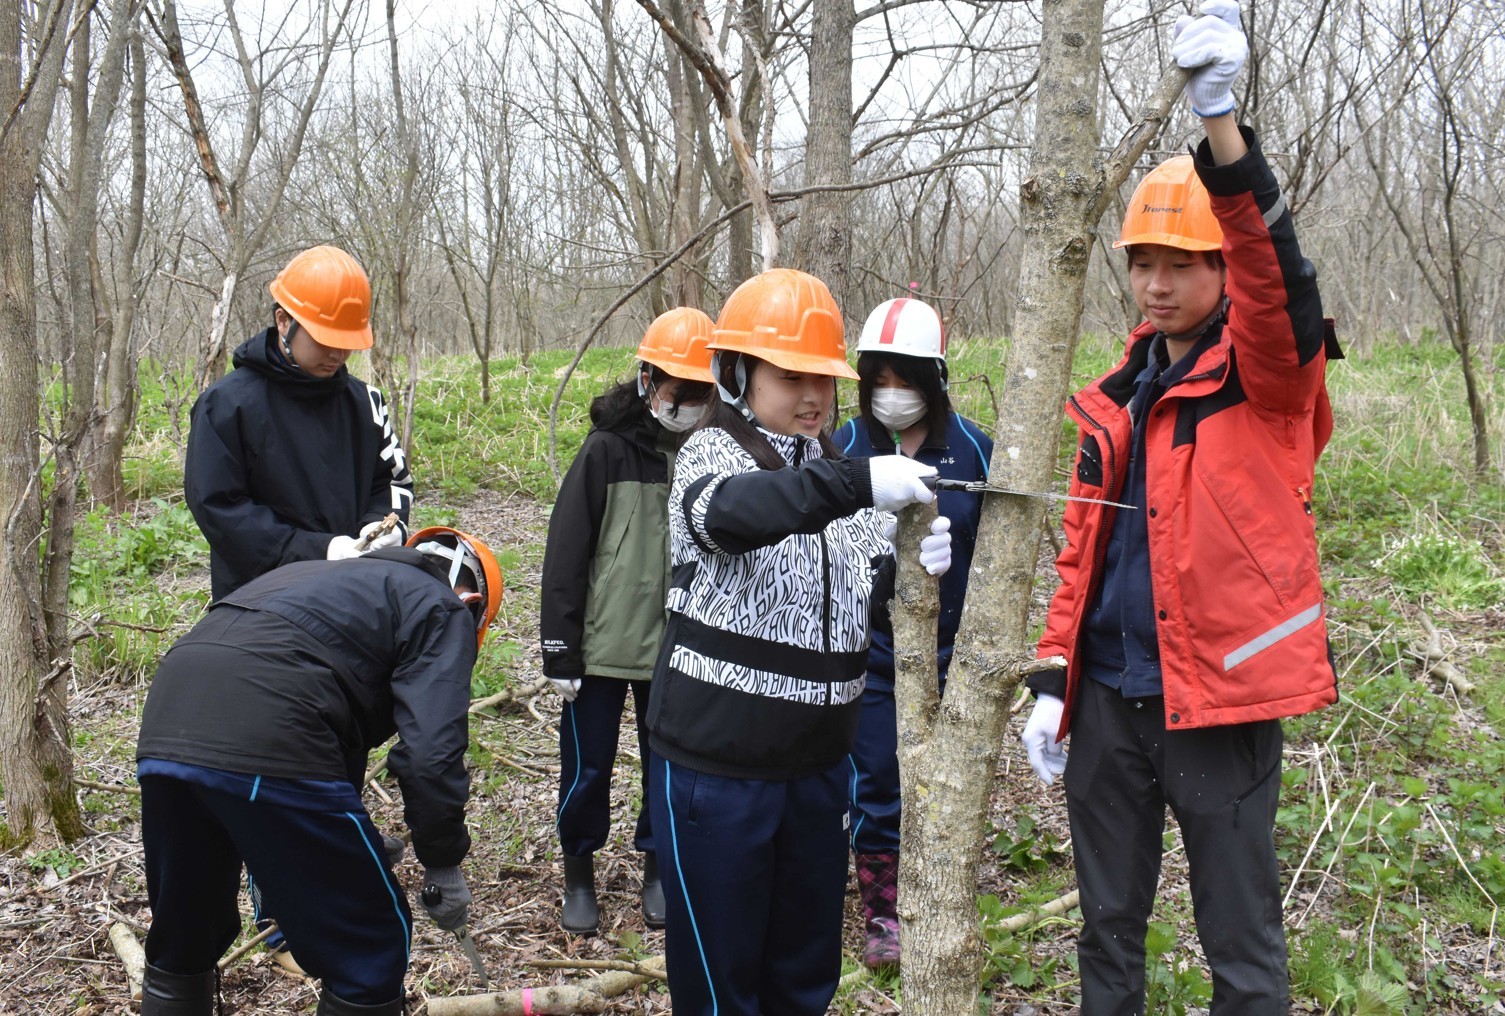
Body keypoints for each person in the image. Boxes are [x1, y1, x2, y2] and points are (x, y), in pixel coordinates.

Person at [1020, 4, 1342, 1013]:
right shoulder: (1115, 397)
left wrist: (1220, 127)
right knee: (1106, 928)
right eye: (1141, 263)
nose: (1154, 284)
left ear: (1217, 270)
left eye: (1179, 264)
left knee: (1238, 939)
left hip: (1218, 702)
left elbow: (1275, 277)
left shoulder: (1267, 376)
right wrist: (1053, 678)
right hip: (1108, 703)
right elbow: (1081, 551)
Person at [645, 269, 953, 1016]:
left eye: (823, 377)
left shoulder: (831, 471)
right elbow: (733, 515)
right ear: (738, 374)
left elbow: (858, 599)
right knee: (721, 981)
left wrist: (908, 567)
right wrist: (856, 486)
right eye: (791, 377)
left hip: (817, 770)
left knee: (802, 975)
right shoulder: (710, 456)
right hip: (720, 768)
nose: (813, 395)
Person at [135, 527, 502, 1016]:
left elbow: (323, 711)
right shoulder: (443, 608)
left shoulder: (316, 578)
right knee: (369, 942)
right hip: (270, 730)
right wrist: (443, 862)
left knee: (187, 925)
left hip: (167, 721)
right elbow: (431, 756)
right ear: (473, 603)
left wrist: (352, 839)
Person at [540, 306, 717, 936]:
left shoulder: (711, 457)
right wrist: (559, 647)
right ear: (648, 380)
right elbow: (566, 550)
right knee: (586, 765)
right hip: (601, 646)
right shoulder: (605, 451)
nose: (686, 404)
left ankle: (658, 868)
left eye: (700, 392)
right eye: (678, 390)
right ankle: (578, 870)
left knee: (664, 767)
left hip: (676, 646)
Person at [831, 296, 993, 968]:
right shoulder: (844, 444)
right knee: (875, 776)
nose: (892, 394)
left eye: (906, 379)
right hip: (867, 649)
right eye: (879, 380)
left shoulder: (974, 449)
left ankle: (942, 890)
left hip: (951, 649)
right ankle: (882, 910)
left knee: (947, 780)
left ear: (935, 379)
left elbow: (995, 557)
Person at [186, 244, 414, 604]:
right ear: (283, 321)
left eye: (347, 342)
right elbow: (220, 510)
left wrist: (385, 524)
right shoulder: (227, 405)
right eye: (325, 340)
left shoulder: (365, 403)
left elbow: (390, 481)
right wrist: (320, 550)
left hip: (355, 590)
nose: (337, 354)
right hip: (260, 601)